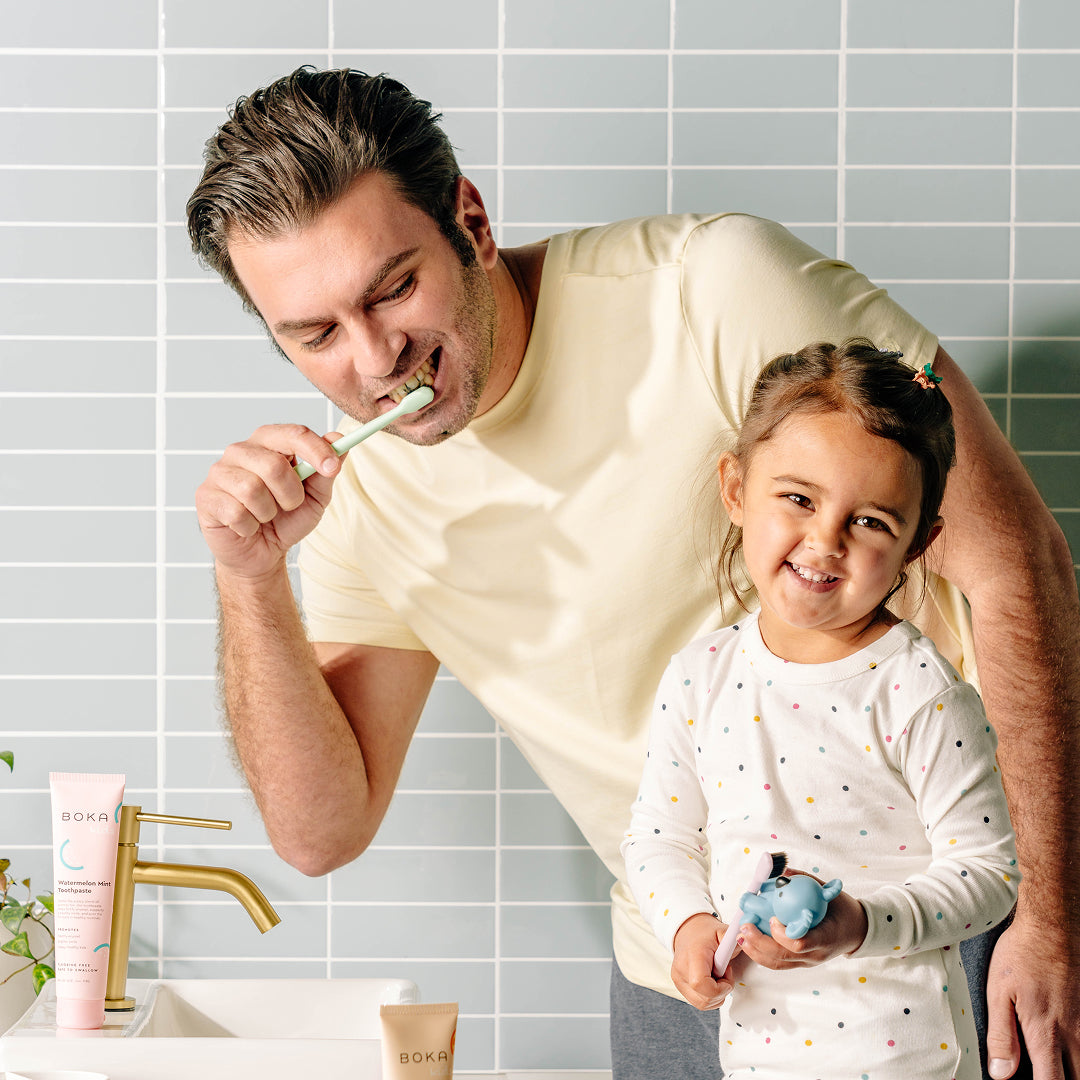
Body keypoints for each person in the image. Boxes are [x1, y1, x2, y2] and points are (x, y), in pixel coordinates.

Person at [188, 67, 1079, 1080]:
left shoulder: (713, 290)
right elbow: (321, 833)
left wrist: (1051, 924)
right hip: (681, 984)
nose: (377, 358)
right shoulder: (360, 498)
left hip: (936, 948)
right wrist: (249, 579)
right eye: (314, 335)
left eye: (394, 289)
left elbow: (1016, 566)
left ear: (470, 222)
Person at [622, 339, 1020, 1079]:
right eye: (799, 499)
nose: (826, 541)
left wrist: (859, 926)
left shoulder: (918, 690)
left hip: (910, 1061)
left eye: (871, 521)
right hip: (757, 1059)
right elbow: (657, 838)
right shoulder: (700, 677)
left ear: (917, 544)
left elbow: (991, 874)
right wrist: (686, 926)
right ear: (736, 488)